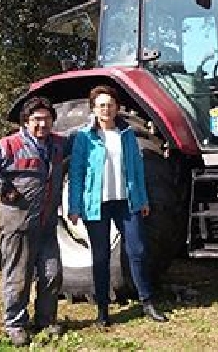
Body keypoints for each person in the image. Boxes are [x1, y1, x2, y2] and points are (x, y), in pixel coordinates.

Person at [0, 96, 68, 346]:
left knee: (51, 274)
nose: (42, 124)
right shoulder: (10, 145)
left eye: (46, 119)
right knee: (19, 276)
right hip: (18, 222)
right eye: (36, 120)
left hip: (46, 224)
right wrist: (3, 187)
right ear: (25, 122)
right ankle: (15, 324)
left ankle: (45, 320)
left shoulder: (57, 145)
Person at [67, 85, 167, 326]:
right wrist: (74, 205)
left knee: (138, 250)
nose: (106, 109)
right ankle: (103, 310)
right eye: (101, 105)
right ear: (93, 108)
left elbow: (136, 171)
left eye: (110, 104)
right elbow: (77, 173)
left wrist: (141, 199)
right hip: (97, 205)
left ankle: (147, 302)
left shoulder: (127, 135)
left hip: (126, 202)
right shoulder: (84, 137)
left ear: (116, 108)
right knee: (100, 257)